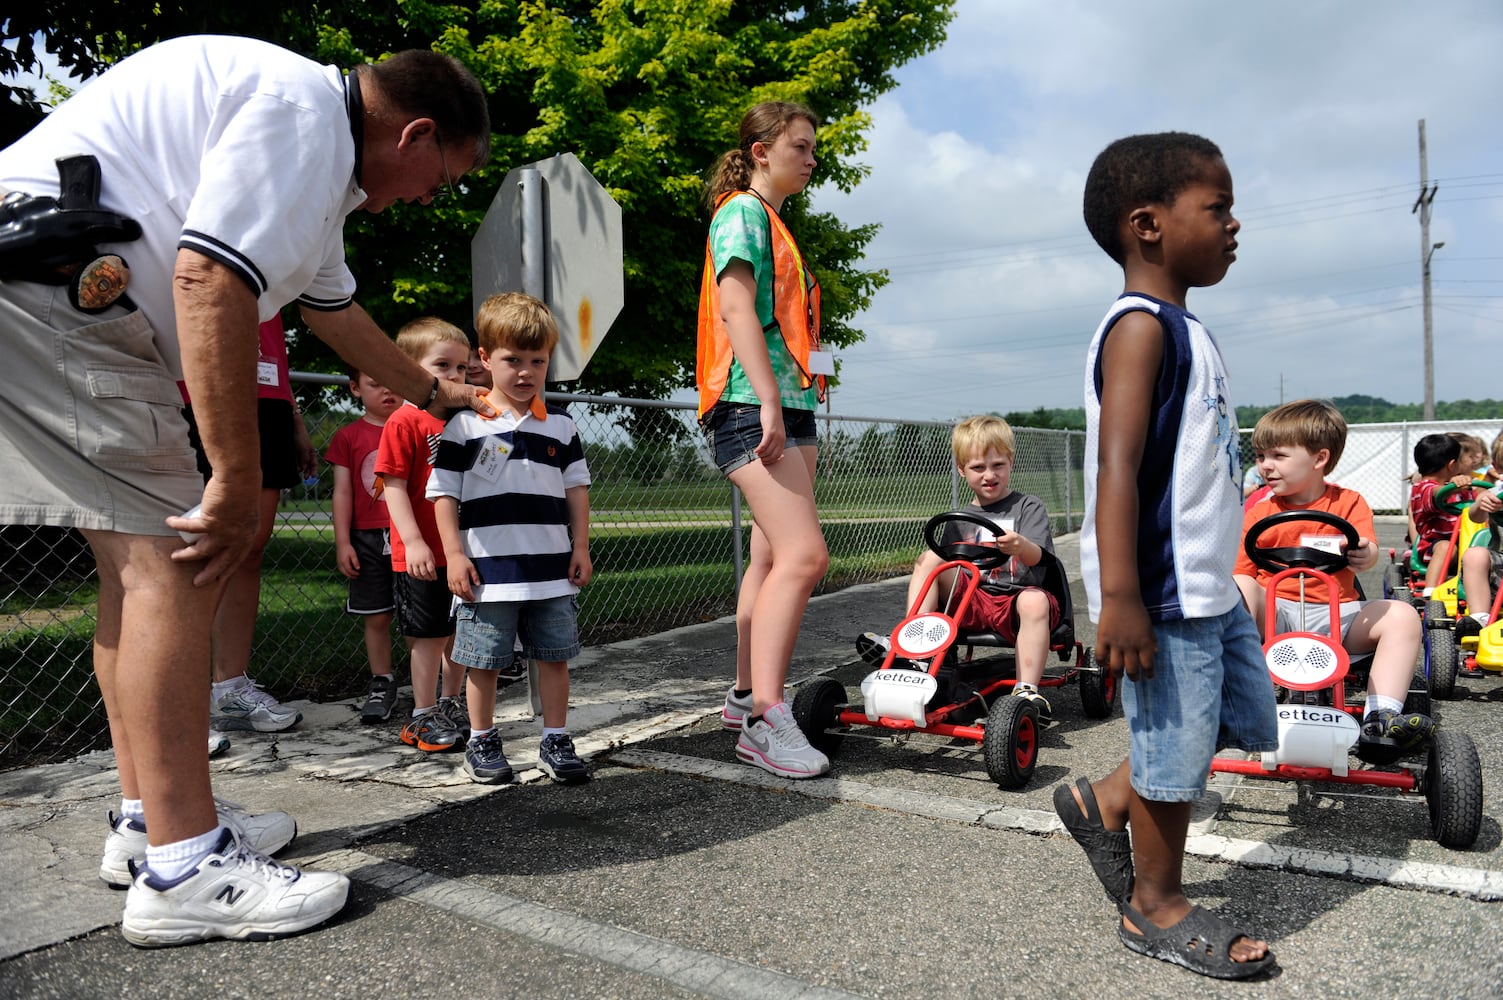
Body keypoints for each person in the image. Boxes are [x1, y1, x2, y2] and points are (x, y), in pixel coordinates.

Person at [0, 35, 491, 946]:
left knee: (131, 572)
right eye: (440, 178)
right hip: (64, 290)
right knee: (179, 566)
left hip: (31, 279)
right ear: (414, 133)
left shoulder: (309, 153)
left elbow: (332, 310)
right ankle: (188, 870)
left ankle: (150, 822)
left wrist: (437, 394)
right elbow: (208, 276)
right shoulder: (305, 116)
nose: (427, 198)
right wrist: (231, 475)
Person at [1054, 132, 1277, 979]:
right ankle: (1154, 906)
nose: (1232, 224)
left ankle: (1104, 798)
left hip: (1210, 588)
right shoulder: (1137, 330)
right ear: (1147, 224)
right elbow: (1117, 467)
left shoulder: (1187, 327)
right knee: (1177, 751)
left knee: (1233, 720)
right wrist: (1119, 595)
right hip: (1162, 591)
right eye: (1215, 207)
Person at [696, 101, 832, 780]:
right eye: (800, 146)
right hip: (753, 404)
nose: (811, 158)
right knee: (805, 557)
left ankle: (747, 692)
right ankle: (765, 719)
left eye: (812, 148)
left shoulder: (774, 222)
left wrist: (802, 388)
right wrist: (772, 399)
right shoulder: (741, 211)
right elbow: (733, 307)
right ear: (759, 150)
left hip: (787, 399)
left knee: (771, 555)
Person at [430, 293, 593, 785]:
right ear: (485, 358)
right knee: (485, 663)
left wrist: (580, 546)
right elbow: (443, 494)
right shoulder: (464, 426)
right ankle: (481, 740)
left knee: (555, 659)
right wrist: (454, 556)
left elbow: (577, 489)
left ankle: (556, 738)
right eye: (512, 360)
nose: (525, 372)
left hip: (550, 573)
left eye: (537, 361)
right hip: (489, 575)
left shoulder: (560, 427)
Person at [1233, 399, 1432, 750]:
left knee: (1403, 616)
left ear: (1319, 459)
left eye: (1278, 456)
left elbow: (1367, 549)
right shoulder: (1258, 513)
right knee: (1240, 586)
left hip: (1338, 617)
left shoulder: (1348, 502)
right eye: (1261, 456)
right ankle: (1240, 694)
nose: (1265, 466)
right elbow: (1243, 573)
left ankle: (1381, 718)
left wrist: (1364, 553)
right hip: (1274, 618)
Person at [855, 415, 1063, 720]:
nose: (989, 475)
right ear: (961, 470)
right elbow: (951, 568)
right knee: (930, 560)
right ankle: (914, 647)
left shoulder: (1027, 507)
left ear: (1011, 463)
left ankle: (1027, 689)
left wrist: (1020, 546)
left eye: (997, 466)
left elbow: (1038, 558)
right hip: (974, 599)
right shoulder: (959, 517)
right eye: (978, 467)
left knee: (1033, 600)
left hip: (1018, 600)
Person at [183, 315, 312, 751]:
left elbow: (273, 338)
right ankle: (178, 704)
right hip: (193, 388)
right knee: (191, 551)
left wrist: (292, 416)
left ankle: (230, 689)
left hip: (268, 397)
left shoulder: (275, 252)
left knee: (248, 548)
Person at [376, 317, 472, 752]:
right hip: (422, 553)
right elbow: (393, 486)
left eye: (462, 368)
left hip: (460, 551)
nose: (454, 377)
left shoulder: (463, 420)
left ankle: (451, 702)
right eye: (442, 366)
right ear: (410, 369)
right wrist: (413, 541)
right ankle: (422, 713)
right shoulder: (404, 421)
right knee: (429, 635)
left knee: (460, 632)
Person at [326, 366, 404, 722]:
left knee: (425, 614)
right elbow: (342, 491)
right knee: (377, 615)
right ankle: (382, 681)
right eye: (375, 383)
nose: (387, 391)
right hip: (368, 538)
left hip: (411, 534)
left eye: (394, 383)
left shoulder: (413, 428)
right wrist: (344, 541)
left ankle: (441, 685)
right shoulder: (348, 437)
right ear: (356, 388)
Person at [1410, 434, 1470, 590]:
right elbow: (1435, 492)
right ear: (1452, 465)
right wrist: (1451, 488)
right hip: (1433, 545)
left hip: (1466, 543)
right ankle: (1431, 593)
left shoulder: (1458, 489)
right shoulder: (1422, 488)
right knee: (1446, 547)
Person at [1458, 432, 1503, 634]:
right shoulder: (1495, 493)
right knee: (1475, 555)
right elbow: (1475, 517)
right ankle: (1480, 618)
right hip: (1499, 568)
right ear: (1497, 467)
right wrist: (1481, 503)